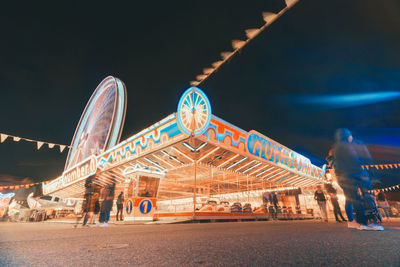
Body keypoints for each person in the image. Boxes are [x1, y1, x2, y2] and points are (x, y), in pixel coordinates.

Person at [333, 128, 382, 231]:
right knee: (361, 198)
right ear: (348, 136)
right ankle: (364, 223)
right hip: (353, 175)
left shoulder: (337, 147)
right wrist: (367, 174)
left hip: (343, 178)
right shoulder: (349, 146)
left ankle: (356, 222)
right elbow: (357, 160)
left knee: (353, 199)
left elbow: (338, 165)